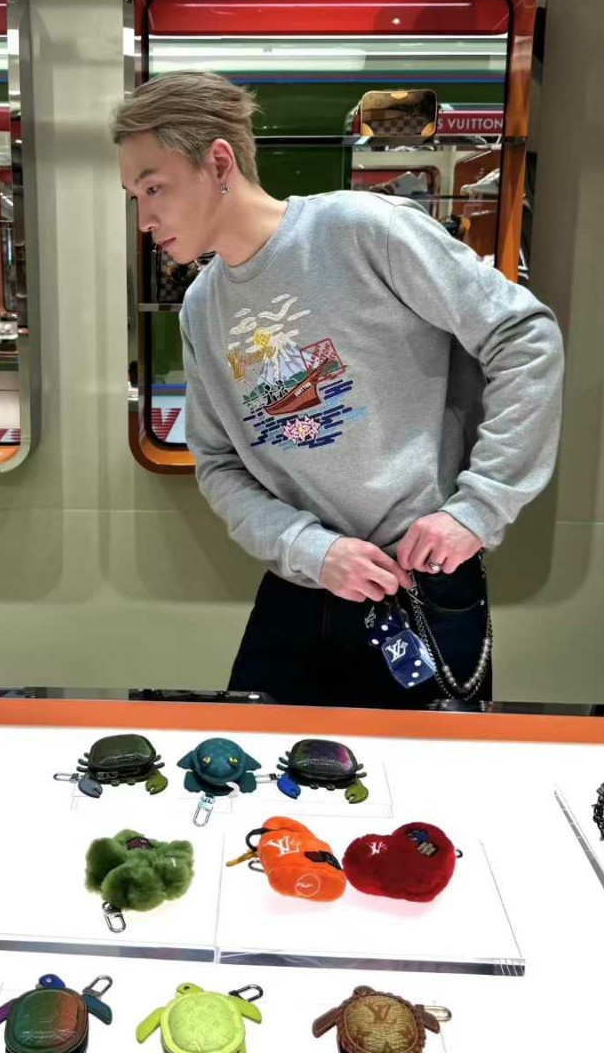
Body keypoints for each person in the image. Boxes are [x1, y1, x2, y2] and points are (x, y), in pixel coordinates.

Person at [112, 71, 565, 708]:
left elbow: (523, 335)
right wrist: (310, 549)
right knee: (264, 764)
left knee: (429, 768)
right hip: (301, 585)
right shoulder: (202, 306)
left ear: (218, 163)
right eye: (136, 195)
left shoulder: (362, 229)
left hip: (421, 583)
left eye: (154, 188)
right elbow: (218, 462)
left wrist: (477, 509)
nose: (145, 218)